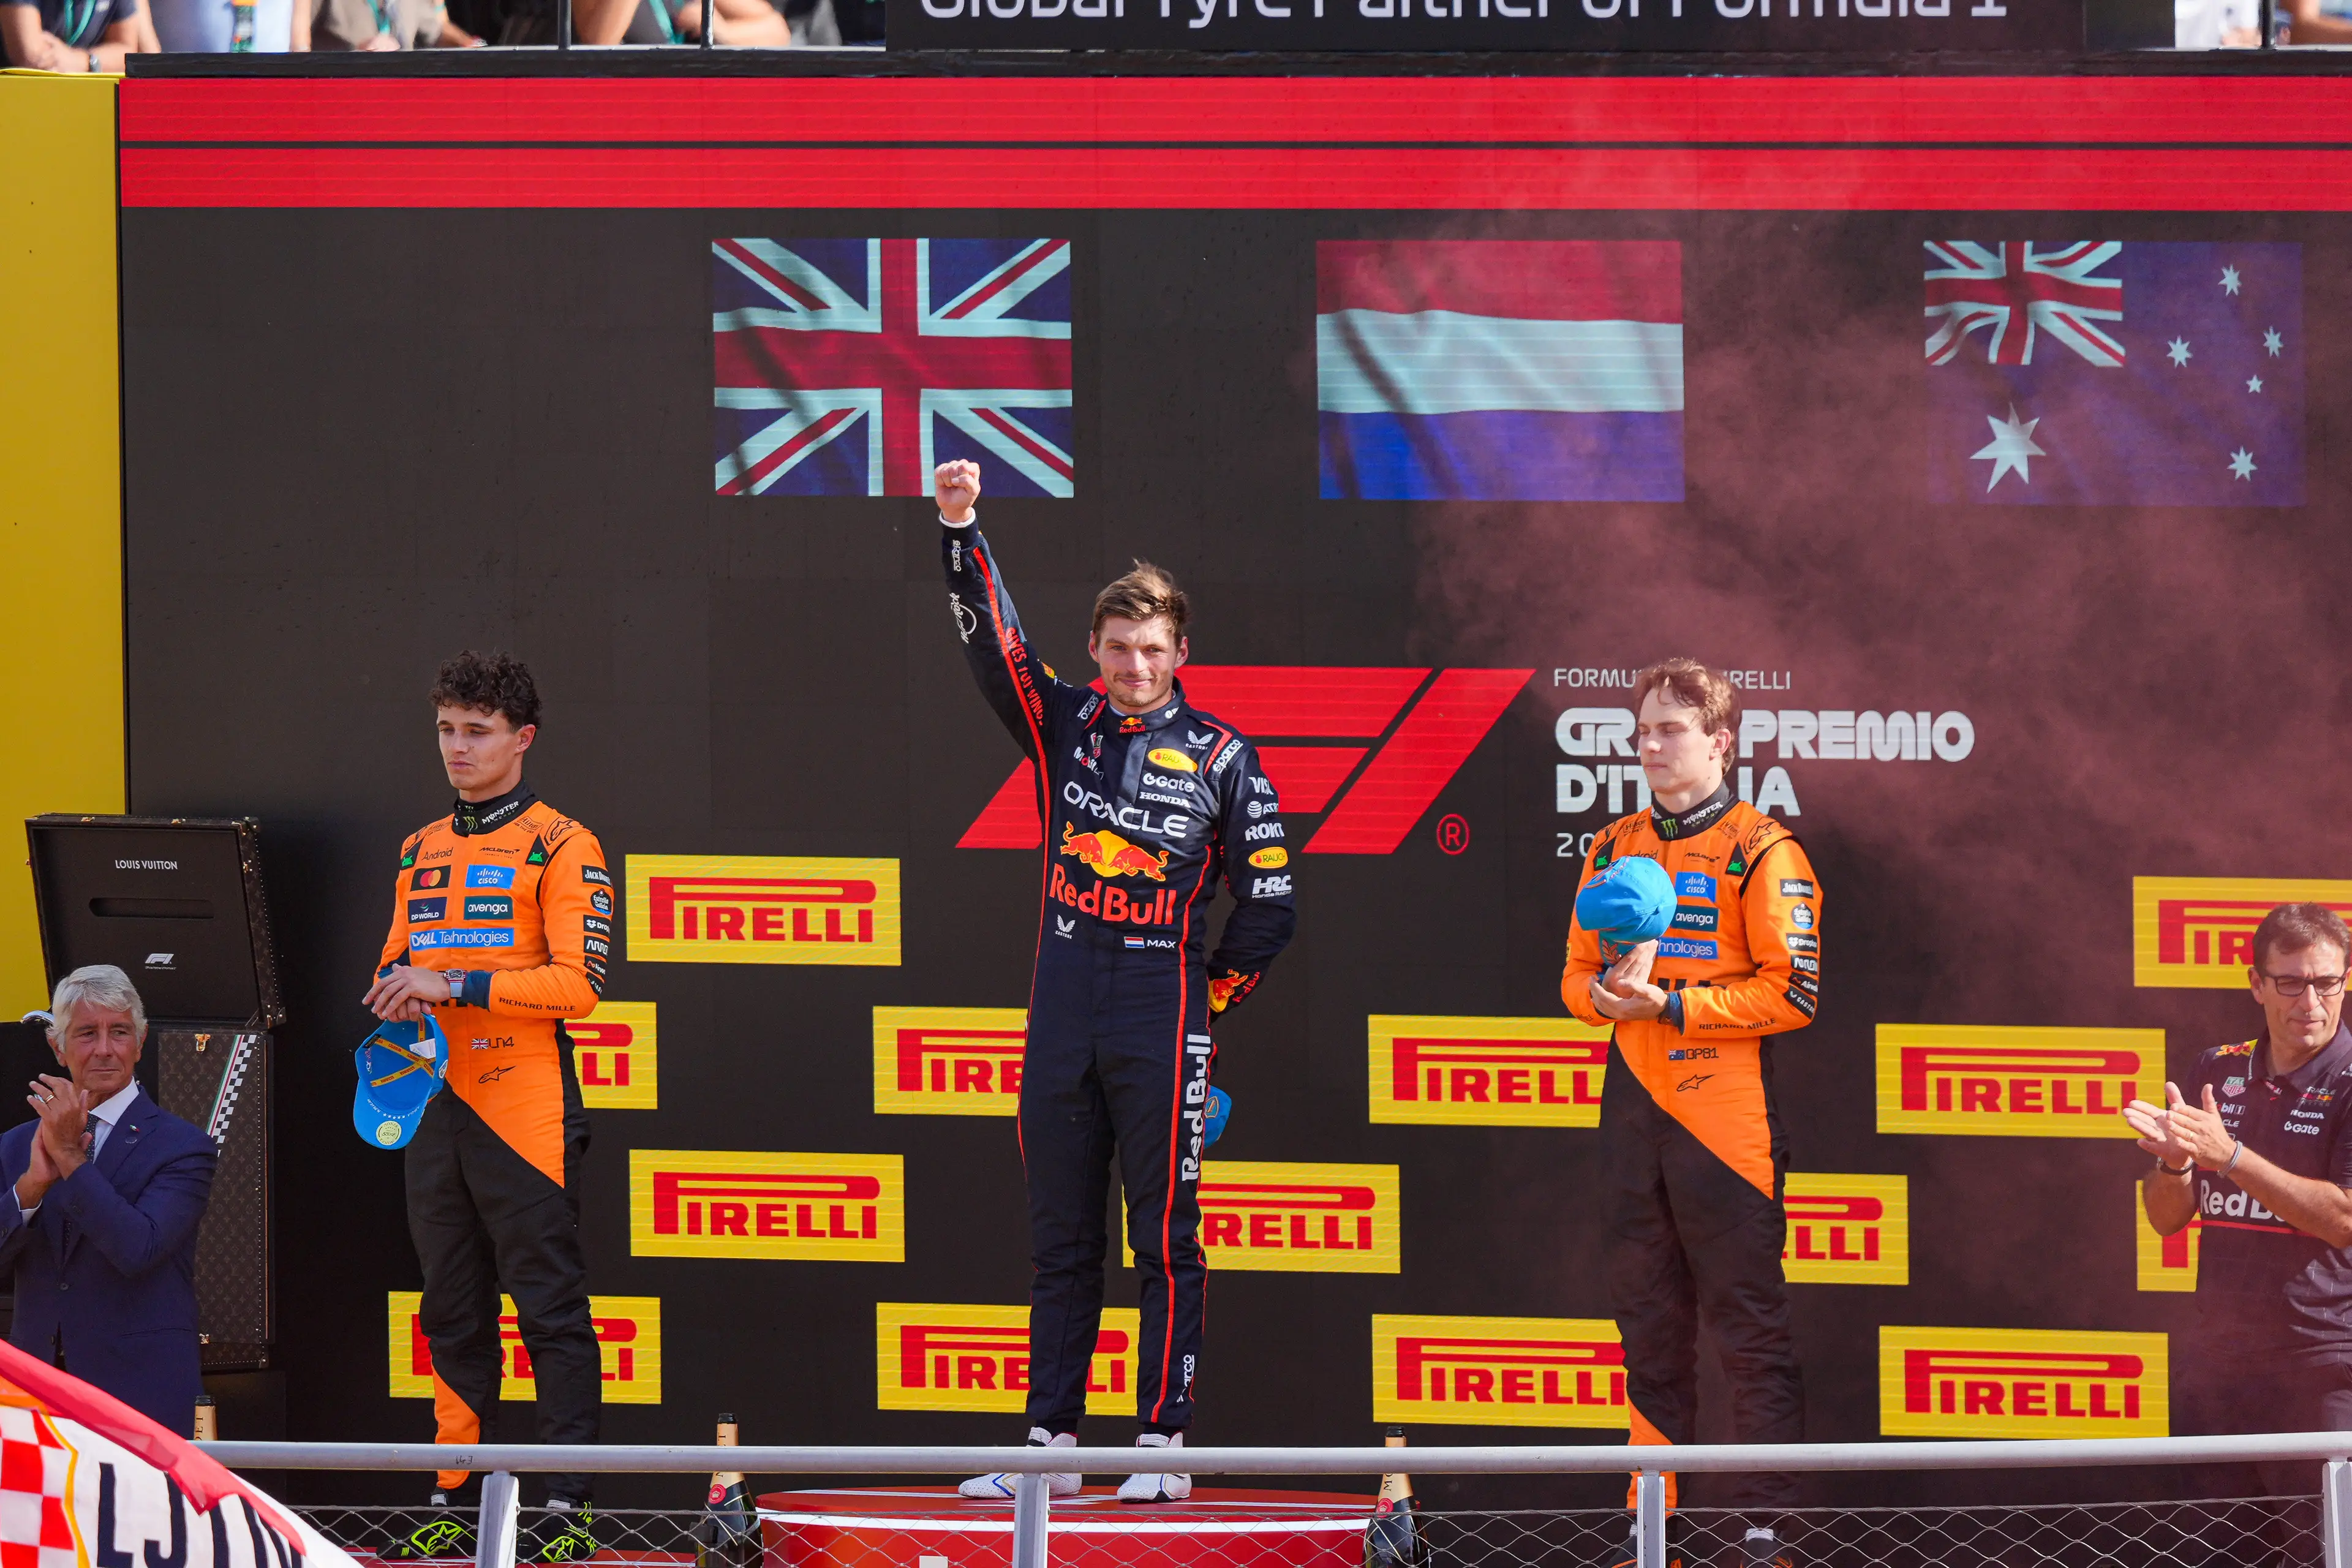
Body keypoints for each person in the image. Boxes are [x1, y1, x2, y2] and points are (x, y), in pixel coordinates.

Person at [937, 458, 1297, 1504]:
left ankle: (1161, 1442)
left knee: (1165, 1233)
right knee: (1060, 1237)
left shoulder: (1229, 758)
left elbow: (1270, 904)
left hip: (1161, 1007)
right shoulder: (1066, 727)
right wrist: (961, 531)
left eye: (1154, 650)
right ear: (1094, 651)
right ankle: (1051, 1441)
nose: (1136, 665)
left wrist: (1207, 1000)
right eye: (1119, 648)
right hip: (1062, 1003)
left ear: (1181, 654)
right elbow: (995, 651)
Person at [1559, 658, 1819, 1568]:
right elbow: (1571, 982)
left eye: (1671, 730)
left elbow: (1795, 995)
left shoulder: (1764, 849)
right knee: (1648, 1334)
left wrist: (1671, 1005)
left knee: (1750, 1332)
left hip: (1727, 1126)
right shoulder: (1611, 845)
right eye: (1643, 732)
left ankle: (1765, 1532)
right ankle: (1651, 1526)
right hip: (1634, 1118)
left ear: (1721, 741)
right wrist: (1607, 997)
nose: (1651, 746)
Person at [364, 652, 610, 1563]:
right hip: (433, 1106)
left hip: (527, 1106)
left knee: (550, 1309)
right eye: (445, 729)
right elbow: (394, 959)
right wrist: (393, 988)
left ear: (521, 739)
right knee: (451, 1311)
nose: (457, 748)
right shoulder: (419, 846)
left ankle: (567, 1505)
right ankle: (454, 1493)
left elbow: (578, 986)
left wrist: (454, 982)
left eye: (476, 731)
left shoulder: (563, 842)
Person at [2129, 903, 2352, 1507]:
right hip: (2220, 1368)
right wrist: (2175, 1161)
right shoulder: (2216, 1068)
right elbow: (2165, 1218)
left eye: (2328, 982)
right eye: (2290, 982)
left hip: (2320, 1365)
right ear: (2256, 984)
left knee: (2324, 1549)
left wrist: (2231, 1157)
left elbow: (2343, 1221)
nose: (2310, 1001)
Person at [0, 967, 216, 1435]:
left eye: (119, 1032)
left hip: (140, 1394)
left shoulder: (183, 1146)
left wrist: (71, 1160)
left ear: (139, 1044)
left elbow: (138, 1248)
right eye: (85, 1033)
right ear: (58, 1047)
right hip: (34, 1393)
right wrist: (31, 1187)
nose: (104, 1049)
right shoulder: (16, 1147)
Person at [0, 0, 153, 72]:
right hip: (19, 104)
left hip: (81, 101)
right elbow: (31, 57)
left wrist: (83, 61)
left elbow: (126, 51)